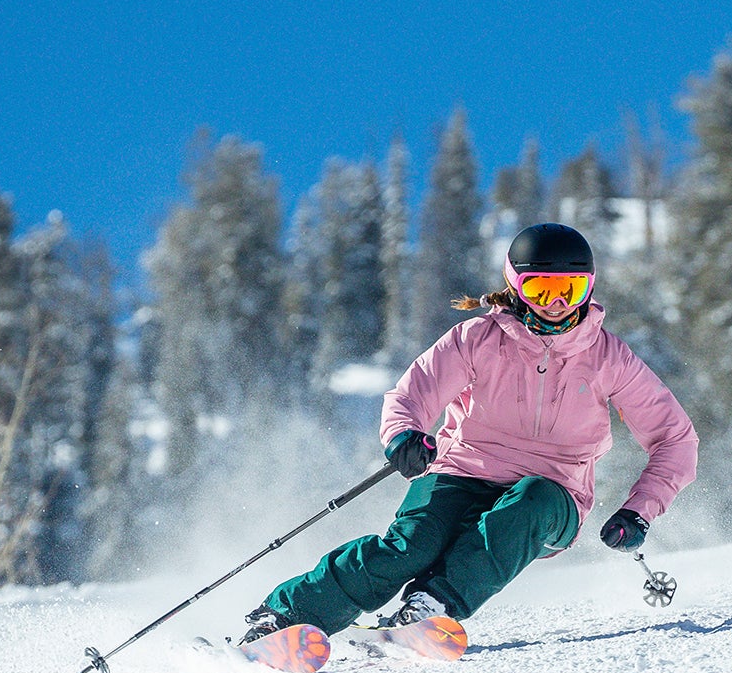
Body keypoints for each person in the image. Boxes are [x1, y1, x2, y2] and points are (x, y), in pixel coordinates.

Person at [242, 222, 698, 642]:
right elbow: (411, 394)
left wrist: (639, 511)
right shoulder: (477, 338)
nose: (556, 304)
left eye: (570, 289)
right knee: (411, 546)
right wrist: (403, 436)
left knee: (529, 502)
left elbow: (675, 438)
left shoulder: (608, 358)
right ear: (516, 286)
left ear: (588, 288)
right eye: (541, 289)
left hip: (553, 496)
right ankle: (286, 617)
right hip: (461, 471)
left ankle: (430, 608)